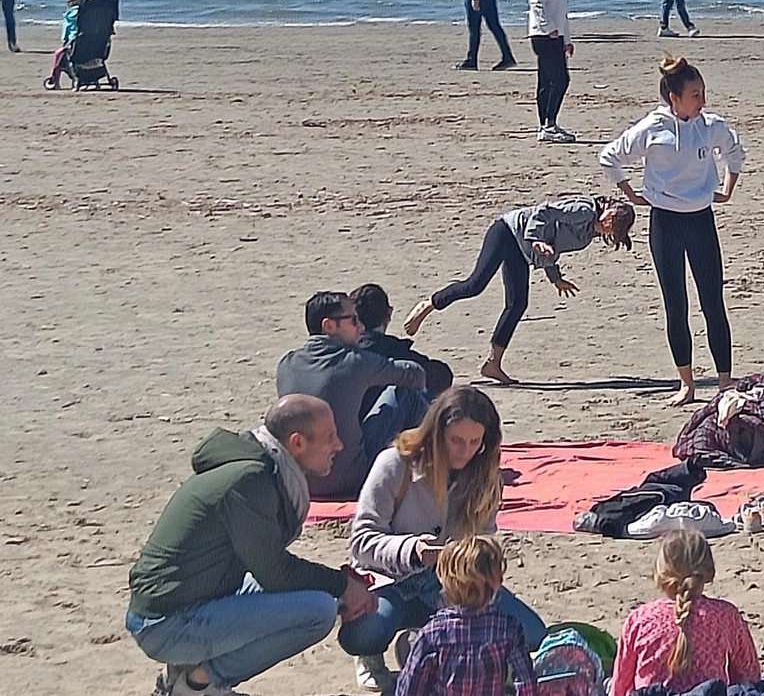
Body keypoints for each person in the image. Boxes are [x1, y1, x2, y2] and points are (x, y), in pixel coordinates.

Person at [126, 395, 377, 696]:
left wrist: (340, 588)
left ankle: (182, 676)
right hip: (164, 624)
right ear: (297, 443)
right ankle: (198, 685)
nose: (339, 446)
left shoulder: (262, 468)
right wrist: (343, 586)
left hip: (185, 603)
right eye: (330, 437)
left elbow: (266, 566)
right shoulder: (251, 480)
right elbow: (275, 574)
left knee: (322, 595)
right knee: (318, 611)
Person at [340, 388, 547, 691]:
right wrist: (413, 550)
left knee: (532, 633)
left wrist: (472, 569)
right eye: (456, 441)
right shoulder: (395, 463)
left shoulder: (486, 476)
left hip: (453, 583)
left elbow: (484, 538)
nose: (464, 451)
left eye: (474, 442)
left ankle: (420, 647)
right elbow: (362, 540)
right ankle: (374, 656)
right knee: (364, 633)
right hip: (391, 580)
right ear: (437, 433)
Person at [599, 56, 746, 407]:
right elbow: (610, 157)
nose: (702, 101)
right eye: (695, 94)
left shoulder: (710, 126)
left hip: (701, 221)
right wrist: (632, 194)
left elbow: (735, 153)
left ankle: (725, 382)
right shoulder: (652, 128)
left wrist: (727, 189)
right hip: (665, 222)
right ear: (673, 98)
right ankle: (687, 383)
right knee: (675, 306)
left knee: (713, 303)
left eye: (703, 93)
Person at [401, 196, 636, 384]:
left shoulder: (586, 236)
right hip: (508, 231)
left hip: (522, 250)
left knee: (517, 304)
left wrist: (556, 278)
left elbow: (552, 250)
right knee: (475, 284)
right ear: (609, 208)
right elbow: (544, 212)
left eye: (612, 229)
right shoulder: (584, 209)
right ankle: (429, 304)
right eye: (610, 220)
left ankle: (493, 364)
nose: (607, 226)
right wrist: (534, 238)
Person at [611, 530, 764, 696]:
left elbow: (620, 686)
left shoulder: (640, 619)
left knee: (607, 682)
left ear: (661, 575)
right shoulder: (725, 615)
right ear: (707, 572)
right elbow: (749, 675)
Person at [276, 292, 428, 500]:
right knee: (404, 394)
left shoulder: (287, 364)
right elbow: (415, 374)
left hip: (301, 480)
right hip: (350, 479)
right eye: (354, 320)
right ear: (329, 326)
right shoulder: (354, 361)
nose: (362, 327)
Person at [394, 534, 540, 696]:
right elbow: (526, 682)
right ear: (497, 582)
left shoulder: (433, 632)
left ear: (446, 583)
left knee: (414, 650)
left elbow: (409, 688)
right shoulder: (508, 628)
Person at [351, 284, 454, 411]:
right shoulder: (396, 352)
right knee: (409, 391)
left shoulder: (337, 352)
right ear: (388, 315)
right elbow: (442, 375)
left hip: (337, 425)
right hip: (379, 425)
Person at [528, 0, 576, 143]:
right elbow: (536, 1)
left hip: (555, 35)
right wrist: (549, 29)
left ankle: (546, 125)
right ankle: (548, 124)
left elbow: (560, 9)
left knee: (549, 81)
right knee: (559, 79)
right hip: (543, 34)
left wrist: (567, 39)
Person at [47, 0, 83, 86]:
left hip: (74, 44)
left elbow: (65, 35)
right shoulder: (90, 15)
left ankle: (55, 81)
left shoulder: (69, 15)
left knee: (59, 55)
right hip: (95, 46)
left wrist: (64, 42)